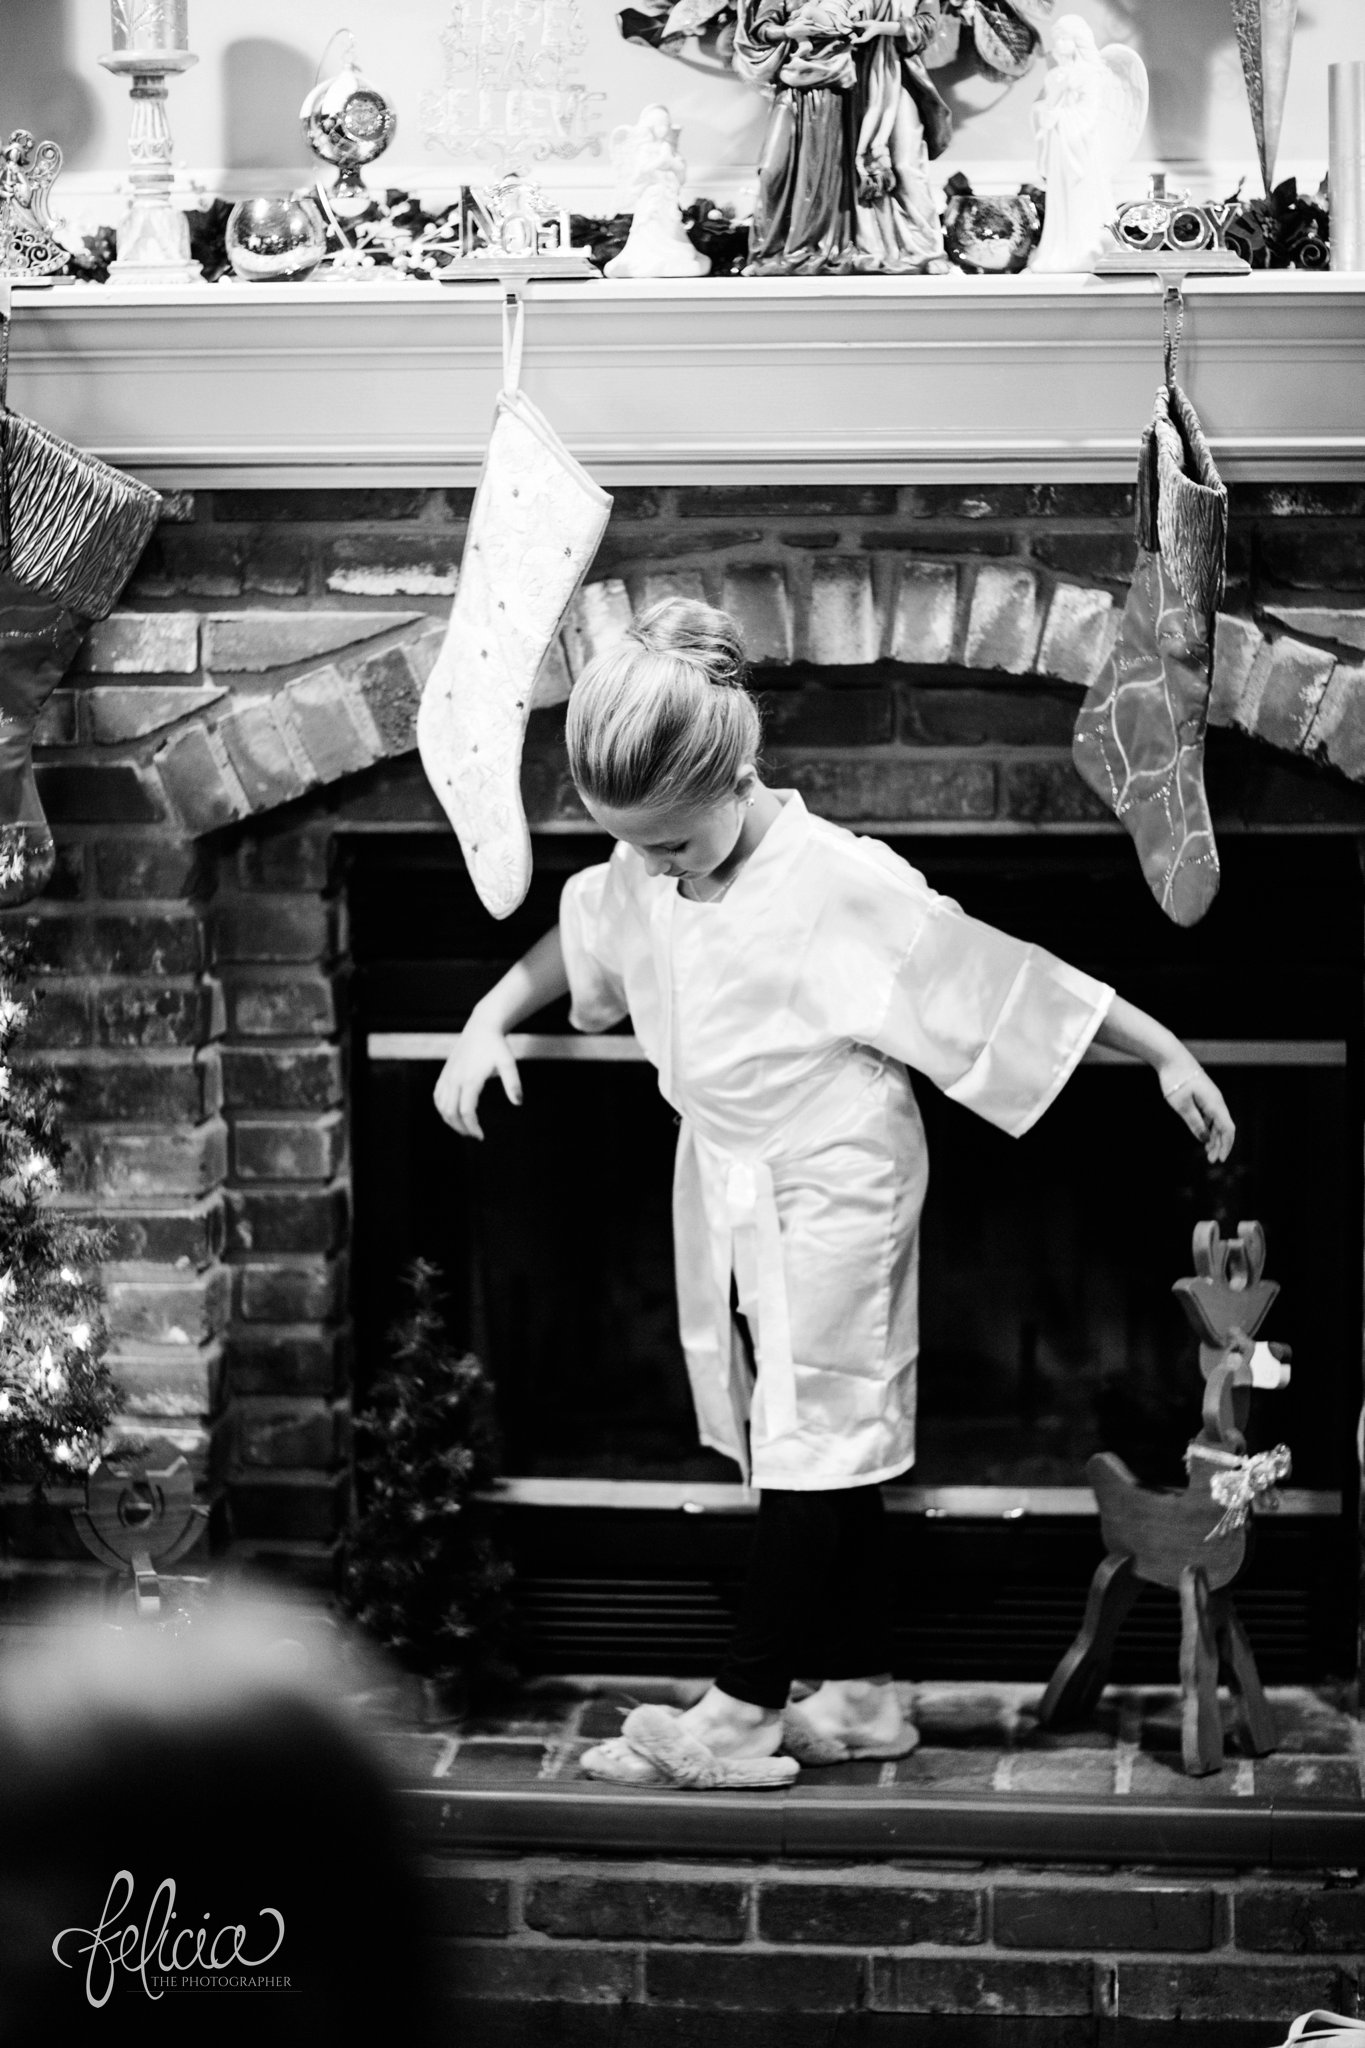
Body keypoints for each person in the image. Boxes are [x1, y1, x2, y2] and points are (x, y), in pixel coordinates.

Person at [434, 597, 1235, 1785]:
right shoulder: (647, 862)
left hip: (839, 1178)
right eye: (635, 845)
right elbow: (585, 934)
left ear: (740, 772)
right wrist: (486, 1018)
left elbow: (1000, 978)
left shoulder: (838, 881)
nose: (651, 867)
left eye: (671, 844)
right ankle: (861, 1692)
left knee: (810, 1432)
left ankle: (744, 1703)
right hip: (730, 1176)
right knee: (818, 1430)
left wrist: (1163, 1047)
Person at [732, 0, 951, 275]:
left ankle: (923, 251)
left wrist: (880, 27)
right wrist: (792, 32)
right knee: (775, 169)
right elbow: (762, 28)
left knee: (905, 164)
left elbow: (926, 25)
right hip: (822, 81)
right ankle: (771, 253)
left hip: (887, 74)